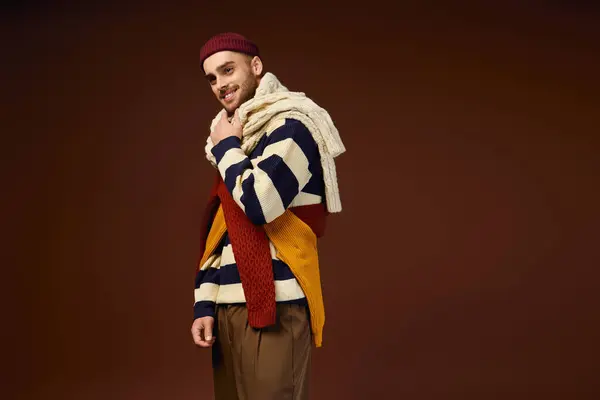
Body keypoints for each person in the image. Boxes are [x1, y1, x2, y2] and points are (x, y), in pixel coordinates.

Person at [190, 32, 345, 400]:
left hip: (277, 305)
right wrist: (205, 302)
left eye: (228, 70)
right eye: (212, 78)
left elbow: (260, 205)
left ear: (255, 67)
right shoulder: (236, 137)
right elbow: (223, 230)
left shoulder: (293, 126)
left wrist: (227, 146)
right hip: (228, 310)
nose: (220, 84)